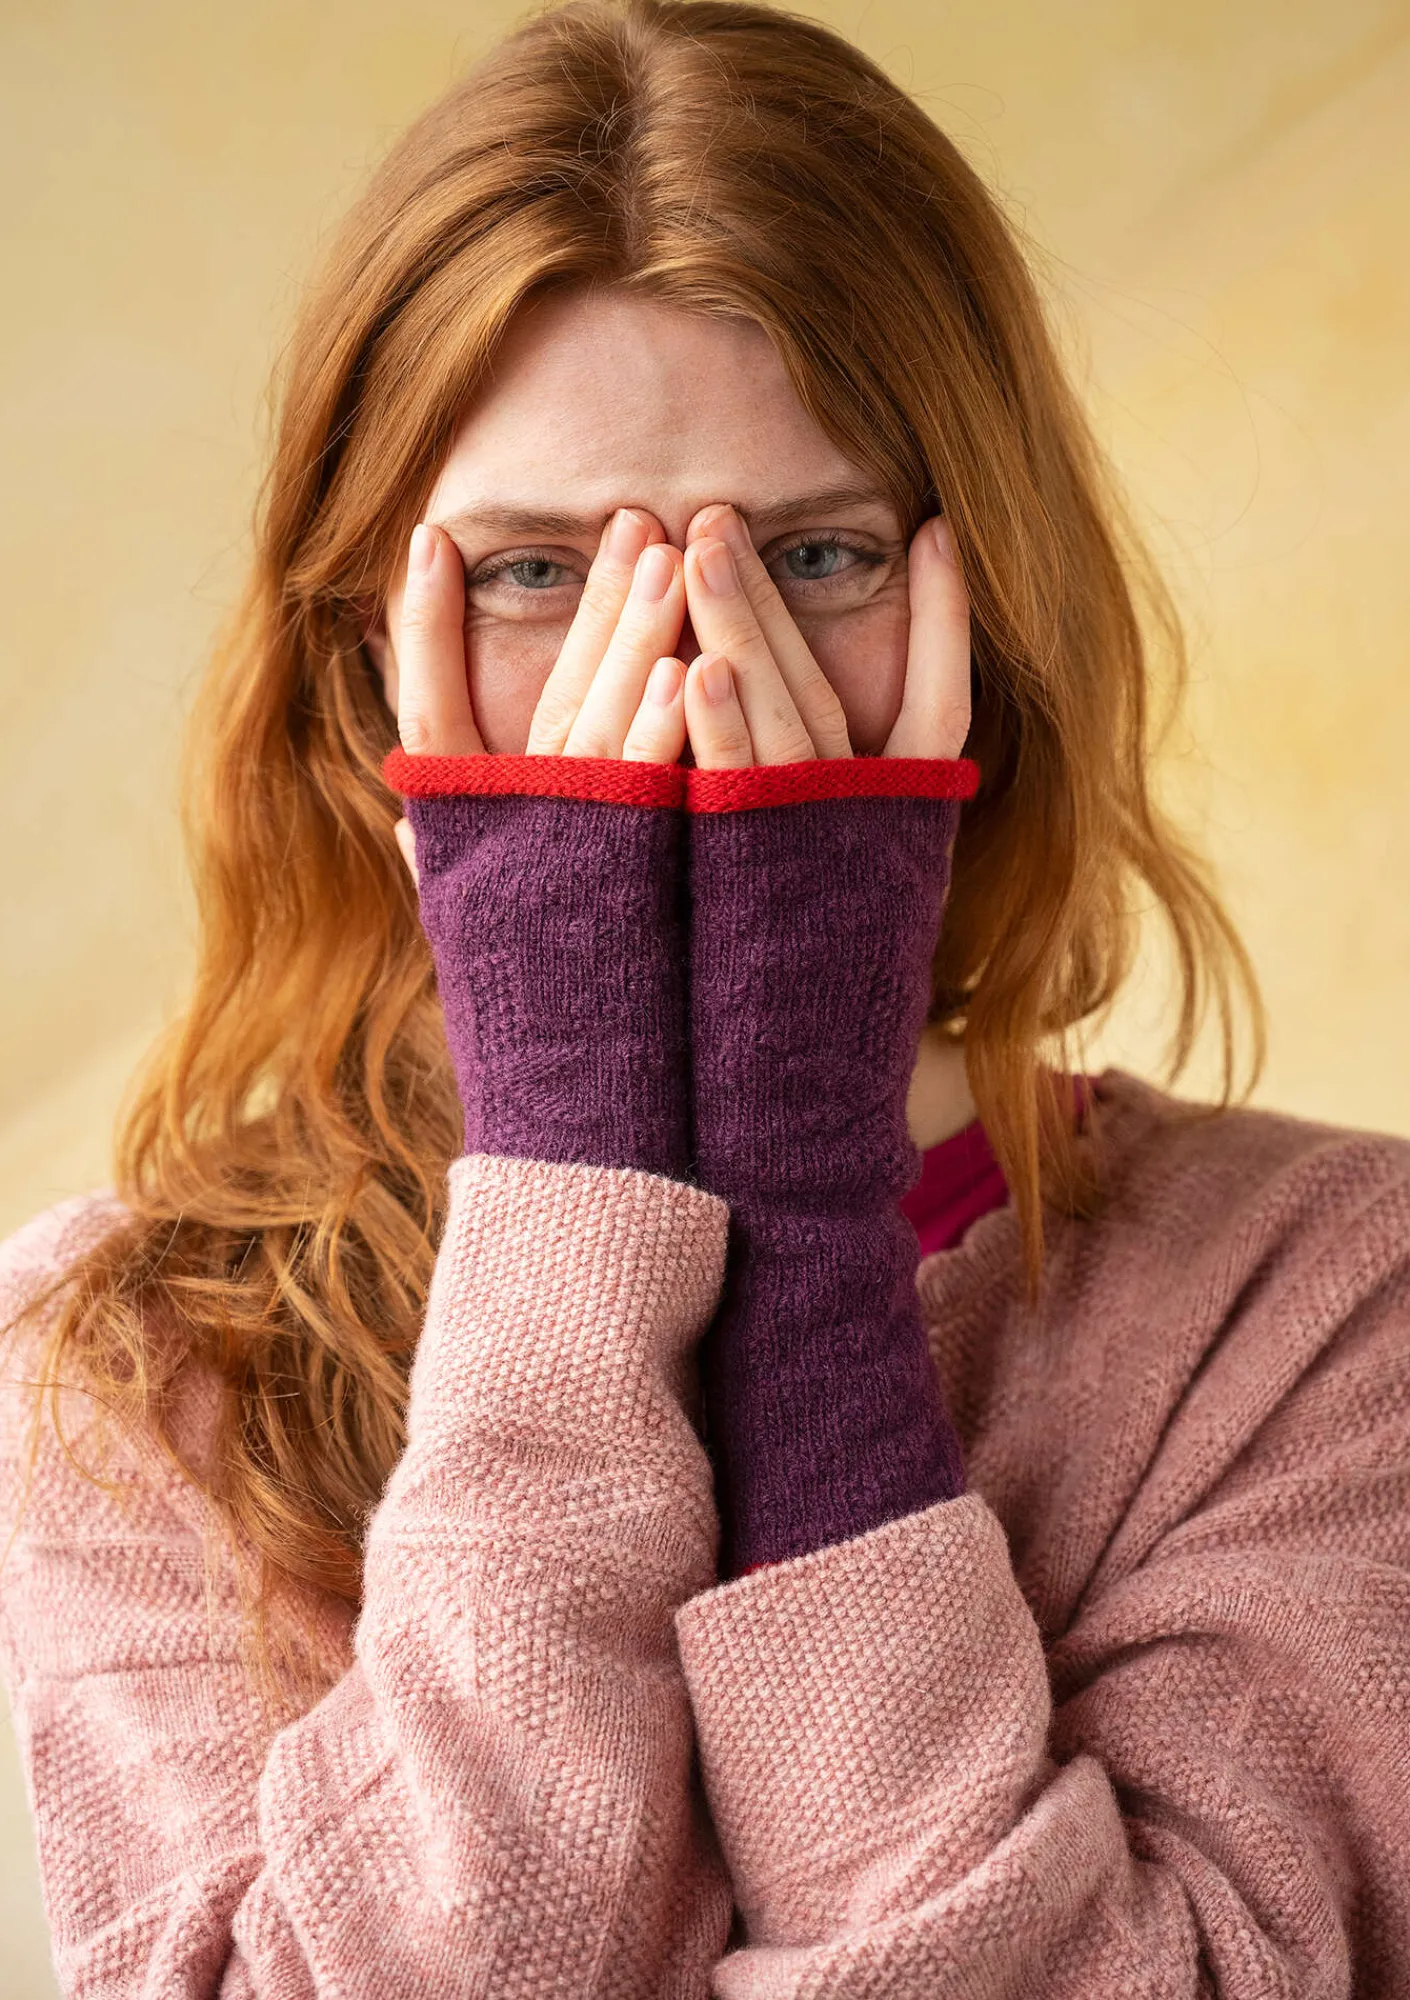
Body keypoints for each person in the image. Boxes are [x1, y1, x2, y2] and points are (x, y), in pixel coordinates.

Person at [2, 0, 1406, 1991]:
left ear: (993, 624)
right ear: (360, 659)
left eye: (811, 558)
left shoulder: (1330, 1301)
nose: (675, 684)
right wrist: (576, 1177)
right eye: (530, 573)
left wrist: (804, 1226)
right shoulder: (126, 1359)